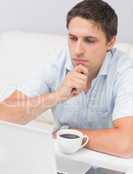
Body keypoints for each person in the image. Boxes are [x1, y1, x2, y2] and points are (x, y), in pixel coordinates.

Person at [0, 0, 133, 158]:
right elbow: (3, 115)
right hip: (64, 159)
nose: (77, 51)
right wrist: (57, 96)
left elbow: (126, 143)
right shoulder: (57, 63)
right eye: (73, 38)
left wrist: (69, 135)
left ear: (110, 42)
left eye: (89, 40)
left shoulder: (124, 71)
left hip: (109, 163)